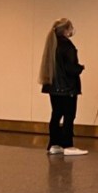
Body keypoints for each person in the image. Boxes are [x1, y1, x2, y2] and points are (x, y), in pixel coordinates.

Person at [38, 18, 88, 157]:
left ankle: (54, 144)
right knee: (69, 115)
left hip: (53, 88)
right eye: (71, 28)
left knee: (56, 114)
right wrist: (80, 68)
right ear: (66, 30)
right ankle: (68, 145)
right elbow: (70, 68)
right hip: (67, 88)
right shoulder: (67, 45)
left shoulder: (52, 45)